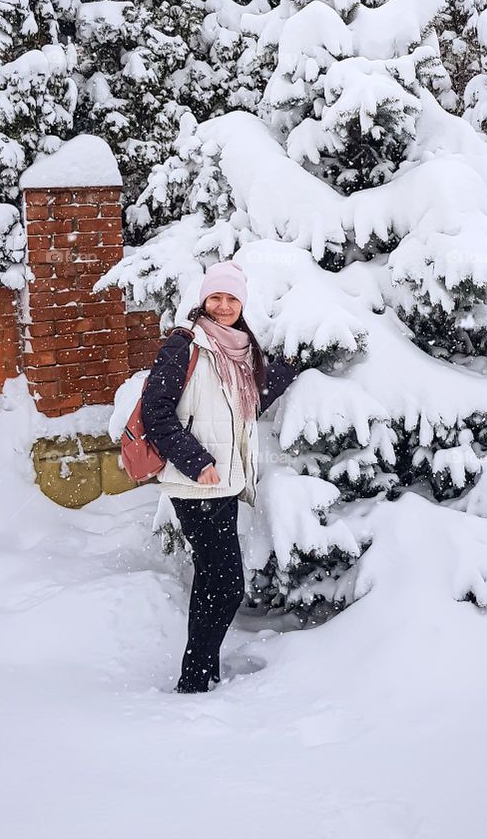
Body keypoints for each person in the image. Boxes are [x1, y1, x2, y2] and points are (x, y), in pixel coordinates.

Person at [141, 261, 300, 693]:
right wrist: (198, 461)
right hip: (196, 483)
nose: (224, 305)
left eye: (232, 298)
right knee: (228, 585)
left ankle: (201, 672)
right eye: (216, 297)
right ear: (203, 300)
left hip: (224, 484)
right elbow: (154, 414)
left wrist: (289, 368)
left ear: (242, 303)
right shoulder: (185, 346)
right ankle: (194, 678)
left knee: (212, 579)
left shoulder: (240, 349)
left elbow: (246, 408)